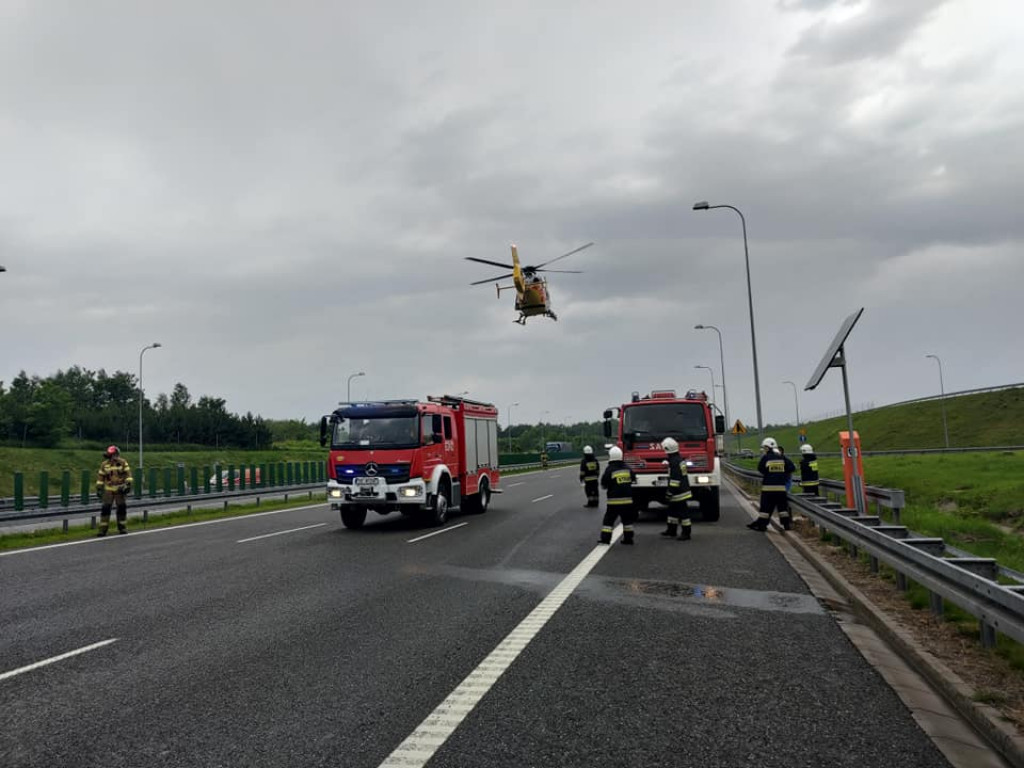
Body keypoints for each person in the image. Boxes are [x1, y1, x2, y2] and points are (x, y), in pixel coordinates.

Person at [748, 437, 795, 532]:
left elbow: (760, 469)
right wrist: (782, 473)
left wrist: (769, 473)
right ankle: (786, 526)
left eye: (765, 448)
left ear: (768, 448)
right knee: (782, 509)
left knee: (765, 509)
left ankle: (762, 526)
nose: (764, 450)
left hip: (768, 489)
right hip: (781, 489)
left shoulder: (765, 458)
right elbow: (792, 467)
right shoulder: (782, 457)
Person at [599, 446, 637, 545]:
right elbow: (634, 479)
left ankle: (605, 539)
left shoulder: (610, 469)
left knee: (608, 521)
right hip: (628, 501)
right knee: (627, 521)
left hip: (614, 501)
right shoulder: (627, 468)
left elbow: (604, 483)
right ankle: (629, 539)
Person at [659, 437, 693, 540]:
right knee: (672, 511)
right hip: (681, 490)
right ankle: (671, 530)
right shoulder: (677, 459)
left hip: (679, 492)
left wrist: (670, 492)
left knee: (683, 513)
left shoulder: (674, 462)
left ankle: (686, 533)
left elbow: (675, 480)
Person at [96, 445, 133, 536]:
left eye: (112, 455)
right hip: (108, 490)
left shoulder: (123, 463)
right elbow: (101, 477)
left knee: (121, 508)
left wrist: (128, 485)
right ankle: (102, 530)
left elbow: (128, 475)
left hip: (120, 490)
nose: (111, 457)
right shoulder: (104, 465)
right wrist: (99, 488)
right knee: (105, 509)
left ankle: (122, 528)